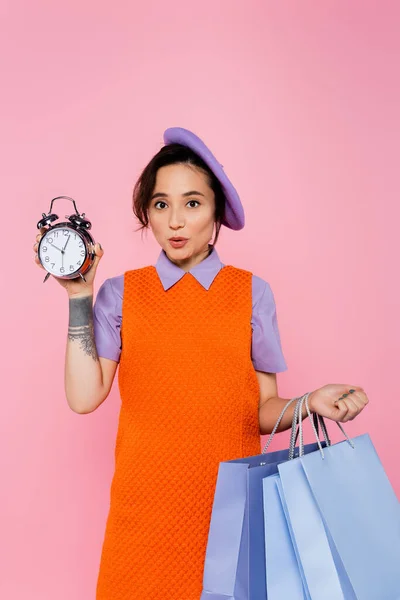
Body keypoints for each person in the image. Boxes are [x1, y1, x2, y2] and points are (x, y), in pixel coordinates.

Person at [33, 127, 369, 599]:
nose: (175, 221)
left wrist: (312, 402)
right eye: (160, 204)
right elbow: (84, 397)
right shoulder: (121, 294)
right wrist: (79, 297)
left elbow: (260, 410)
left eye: (192, 204)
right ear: (146, 213)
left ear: (216, 214)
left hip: (229, 513)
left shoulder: (252, 293)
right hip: (143, 515)